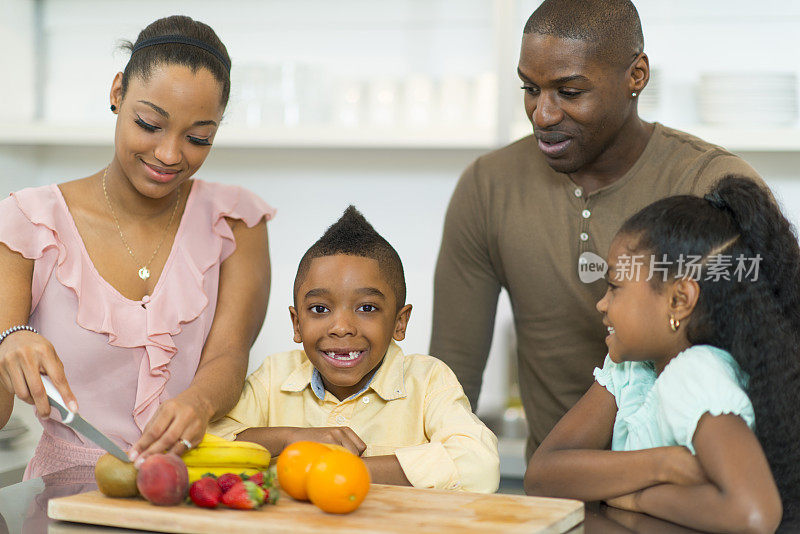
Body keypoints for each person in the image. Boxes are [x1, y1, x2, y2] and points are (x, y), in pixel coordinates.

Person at [429, 0, 767, 459]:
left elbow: (767, 363)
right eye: (530, 88)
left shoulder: (711, 185)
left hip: (691, 504)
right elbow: (449, 388)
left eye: (569, 92)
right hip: (557, 501)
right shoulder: (488, 187)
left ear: (637, 76)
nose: (542, 114)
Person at [0, 15, 275, 478]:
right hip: (59, 493)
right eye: (149, 124)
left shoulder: (236, 223)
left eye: (197, 138)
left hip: (186, 485)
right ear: (117, 94)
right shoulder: (28, 221)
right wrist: (5, 343)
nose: (169, 155)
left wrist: (198, 403)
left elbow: (229, 354)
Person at [525, 176, 799, 532]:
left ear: (679, 300)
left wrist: (635, 498)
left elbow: (753, 515)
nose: (602, 304)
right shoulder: (630, 369)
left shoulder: (696, 374)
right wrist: (663, 464)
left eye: (615, 288)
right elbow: (543, 475)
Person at [209, 207, 499, 492]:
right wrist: (289, 438)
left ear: (400, 322)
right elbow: (211, 445)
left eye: (367, 308)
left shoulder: (427, 380)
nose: (341, 327)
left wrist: (343, 472)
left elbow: (479, 464)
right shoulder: (274, 376)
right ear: (297, 324)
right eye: (320, 308)